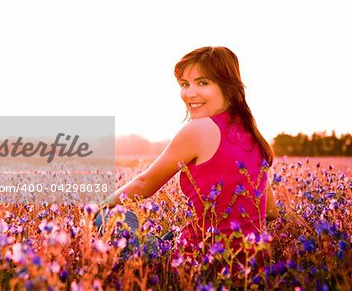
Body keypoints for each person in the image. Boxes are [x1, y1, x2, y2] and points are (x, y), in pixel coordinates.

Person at [103, 46, 278, 259]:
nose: (189, 93)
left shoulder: (200, 129)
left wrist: (99, 204)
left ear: (228, 87)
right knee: (171, 234)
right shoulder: (253, 135)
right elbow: (271, 212)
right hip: (251, 265)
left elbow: (145, 184)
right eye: (185, 84)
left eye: (203, 83)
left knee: (107, 216)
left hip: (198, 261)